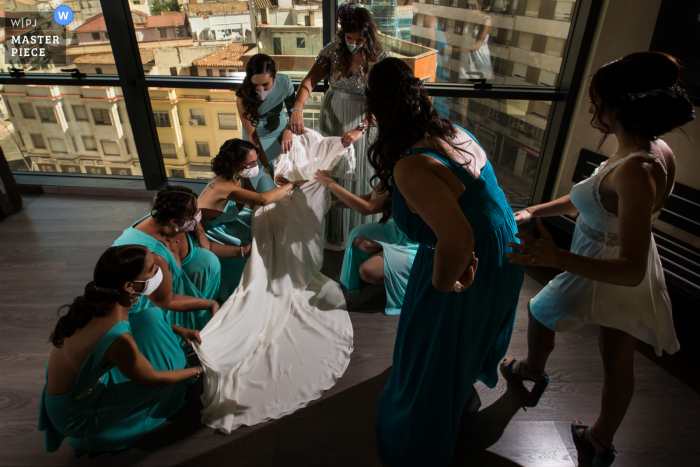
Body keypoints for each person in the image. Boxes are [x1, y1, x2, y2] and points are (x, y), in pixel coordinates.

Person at [503, 52, 694, 467]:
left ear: (620, 105)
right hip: (617, 263)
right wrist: (535, 211)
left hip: (605, 267)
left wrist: (557, 257)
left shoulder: (633, 172)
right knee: (617, 357)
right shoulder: (657, 150)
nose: (591, 108)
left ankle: (533, 369)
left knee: (539, 310)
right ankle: (600, 439)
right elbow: (586, 200)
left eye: (597, 100)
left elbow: (629, 267)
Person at [367, 58, 524, 467]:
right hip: (503, 244)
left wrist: (440, 289)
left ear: (378, 112)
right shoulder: (453, 130)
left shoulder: (411, 165)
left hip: (468, 256)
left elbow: (457, 237)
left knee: (433, 340)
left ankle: (420, 438)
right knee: (462, 337)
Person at [39, 245, 204, 453]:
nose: (157, 271)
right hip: (79, 414)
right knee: (173, 366)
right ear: (129, 285)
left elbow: (135, 321)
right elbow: (150, 379)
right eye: (151, 269)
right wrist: (198, 369)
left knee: (150, 316)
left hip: (71, 389)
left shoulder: (99, 301)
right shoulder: (118, 337)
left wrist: (179, 329)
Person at [289, 3, 390, 245]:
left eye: (359, 39)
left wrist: (361, 128)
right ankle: (330, 233)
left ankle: (355, 236)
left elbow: (383, 102)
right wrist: (297, 109)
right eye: (349, 38)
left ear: (369, 35)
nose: (353, 43)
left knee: (359, 174)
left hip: (364, 119)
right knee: (329, 169)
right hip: (332, 115)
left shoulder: (381, 57)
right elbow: (309, 81)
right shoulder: (332, 51)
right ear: (341, 34)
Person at [199, 139, 310, 303]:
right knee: (258, 247)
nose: (254, 166)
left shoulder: (236, 175)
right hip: (214, 232)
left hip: (231, 221)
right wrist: (292, 185)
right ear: (235, 164)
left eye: (255, 160)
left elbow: (251, 196)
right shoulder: (221, 185)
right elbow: (262, 199)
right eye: (250, 164)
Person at [113, 186, 223, 336]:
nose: (199, 216)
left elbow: (207, 246)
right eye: (194, 214)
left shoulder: (173, 219)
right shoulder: (153, 255)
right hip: (151, 300)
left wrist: (242, 251)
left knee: (208, 261)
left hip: (170, 288)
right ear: (174, 222)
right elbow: (166, 300)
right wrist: (210, 304)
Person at [314, 169, 418, 316]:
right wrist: (335, 204)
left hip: (416, 241)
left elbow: (367, 208)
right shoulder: (391, 170)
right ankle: (388, 260)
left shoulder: (409, 172)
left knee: (366, 272)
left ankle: (407, 277)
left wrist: (330, 184)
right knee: (358, 237)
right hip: (400, 229)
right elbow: (371, 198)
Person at [236, 53, 296, 193]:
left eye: (265, 84)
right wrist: (268, 167)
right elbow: (252, 138)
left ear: (274, 75)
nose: (261, 90)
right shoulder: (242, 98)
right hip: (257, 141)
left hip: (281, 133)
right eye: (255, 85)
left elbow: (294, 112)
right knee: (266, 188)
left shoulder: (285, 82)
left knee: (287, 183)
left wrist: (288, 130)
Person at [459, 0, 493, 81]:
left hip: (479, 57)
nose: (470, 8)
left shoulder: (486, 20)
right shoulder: (470, 17)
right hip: (467, 57)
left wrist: (455, 50)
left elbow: (477, 46)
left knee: (478, 86)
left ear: (480, 5)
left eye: (473, 6)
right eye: (469, 6)